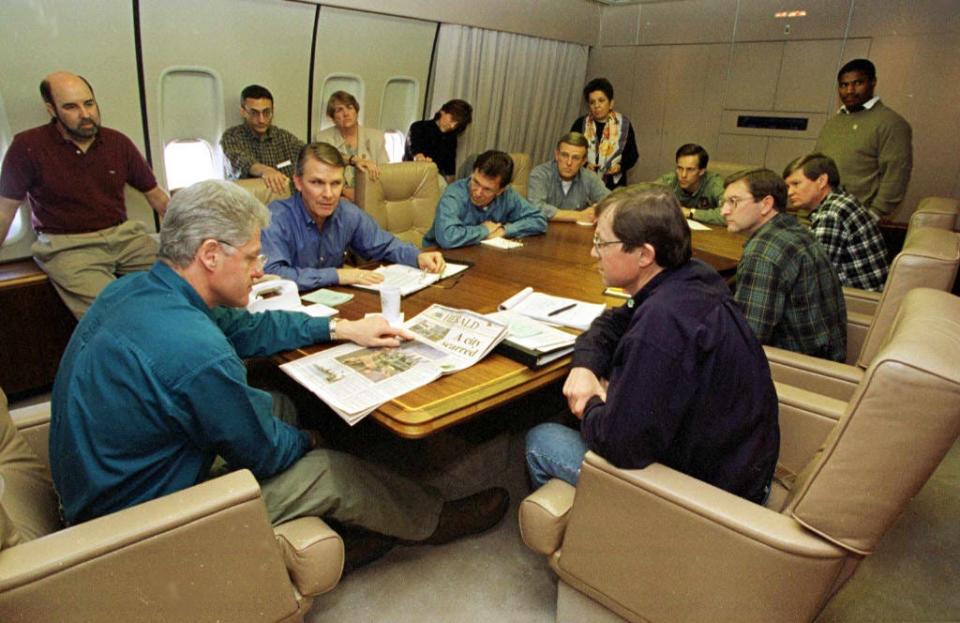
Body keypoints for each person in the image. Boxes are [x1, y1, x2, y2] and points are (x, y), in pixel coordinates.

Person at [49, 179, 509, 556]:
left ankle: (361, 519)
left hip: (109, 484)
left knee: (281, 403)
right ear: (210, 254)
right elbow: (265, 452)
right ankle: (433, 519)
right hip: (137, 526)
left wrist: (341, 329)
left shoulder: (129, 291)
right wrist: (310, 440)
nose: (260, 269)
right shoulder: (197, 351)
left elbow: (249, 329)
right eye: (251, 257)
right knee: (327, 468)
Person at [525, 186, 779, 504]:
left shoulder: (661, 324)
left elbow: (621, 446)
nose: (593, 253)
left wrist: (591, 402)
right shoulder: (691, 277)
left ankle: (610, 539)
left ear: (644, 254)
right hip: (736, 467)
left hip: (708, 498)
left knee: (541, 438)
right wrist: (585, 365)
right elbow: (611, 322)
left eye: (601, 243)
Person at [0, 71, 169, 319]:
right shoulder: (27, 146)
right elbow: (5, 212)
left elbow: (157, 197)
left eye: (89, 103)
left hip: (124, 237)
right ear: (52, 109)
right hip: (68, 245)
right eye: (71, 107)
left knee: (185, 279)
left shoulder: (117, 143)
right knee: (115, 314)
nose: (85, 114)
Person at [262, 143, 445, 291]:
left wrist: (418, 257)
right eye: (317, 183)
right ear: (298, 182)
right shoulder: (275, 218)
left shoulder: (347, 212)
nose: (328, 194)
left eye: (335, 183)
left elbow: (384, 245)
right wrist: (337, 275)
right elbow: (273, 276)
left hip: (335, 303)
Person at [721, 169, 846, 362]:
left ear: (766, 204)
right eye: (724, 202)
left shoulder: (763, 252)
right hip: (827, 354)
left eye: (734, 202)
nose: (724, 211)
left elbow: (748, 338)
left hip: (797, 367)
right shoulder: (794, 229)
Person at [814, 59, 912, 221]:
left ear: (872, 82)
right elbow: (815, 166)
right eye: (844, 85)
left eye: (858, 83)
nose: (850, 90)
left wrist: (873, 215)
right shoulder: (833, 122)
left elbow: (896, 175)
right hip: (823, 212)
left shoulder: (891, 123)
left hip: (858, 217)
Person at [783, 153, 889, 292]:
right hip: (868, 294)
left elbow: (813, 274)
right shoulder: (842, 200)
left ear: (821, 181)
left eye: (796, 184)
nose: (790, 192)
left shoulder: (830, 214)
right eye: (787, 186)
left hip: (858, 300)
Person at [422, 150, 547, 249]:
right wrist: (485, 230)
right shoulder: (454, 194)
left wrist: (504, 230)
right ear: (472, 173)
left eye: (487, 189)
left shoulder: (507, 196)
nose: (477, 192)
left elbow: (539, 220)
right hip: (439, 256)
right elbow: (447, 237)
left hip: (481, 254)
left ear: (500, 190)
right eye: (475, 181)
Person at [220, 84, 305, 196]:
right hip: (249, 207)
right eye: (254, 113)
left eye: (266, 112)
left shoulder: (284, 137)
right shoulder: (232, 136)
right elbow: (239, 161)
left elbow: (307, 154)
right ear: (243, 112)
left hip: (288, 205)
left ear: (273, 111)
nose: (261, 119)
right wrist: (265, 171)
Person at [314, 91, 387, 201]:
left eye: (350, 107)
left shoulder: (376, 137)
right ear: (332, 118)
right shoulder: (322, 138)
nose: (346, 113)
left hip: (371, 195)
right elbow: (323, 171)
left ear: (356, 112)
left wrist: (363, 193)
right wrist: (343, 191)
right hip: (338, 196)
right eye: (339, 110)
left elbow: (385, 172)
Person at [570, 78, 638, 190]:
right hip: (583, 185)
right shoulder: (580, 124)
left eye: (601, 100)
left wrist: (620, 167)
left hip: (613, 186)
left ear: (611, 103)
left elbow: (633, 155)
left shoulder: (624, 125)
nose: (596, 106)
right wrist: (584, 164)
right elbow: (571, 152)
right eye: (592, 102)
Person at [527, 132, 609, 222]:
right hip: (544, 231)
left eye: (576, 158)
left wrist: (597, 210)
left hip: (576, 233)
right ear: (557, 155)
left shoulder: (590, 177)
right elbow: (535, 208)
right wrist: (579, 216)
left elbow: (612, 202)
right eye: (565, 155)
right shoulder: (540, 174)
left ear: (584, 161)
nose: (569, 163)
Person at [403, 99, 473, 183]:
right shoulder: (418, 127)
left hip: (432, 178)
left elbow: (449, 168)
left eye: (457, 124)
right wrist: (423, 160)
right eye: (452, 119)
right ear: (443, 112)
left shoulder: (451, 138)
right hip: (411, 172)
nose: (453, 125)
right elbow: (416, 153)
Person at [654, 143, 726, 225]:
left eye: (690, 169)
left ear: (702, 171)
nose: (683, 175)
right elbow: (642, 199)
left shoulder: (714, 184)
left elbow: (730, 215)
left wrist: (690, 213)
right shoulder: (670, 180)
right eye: (680, 168)